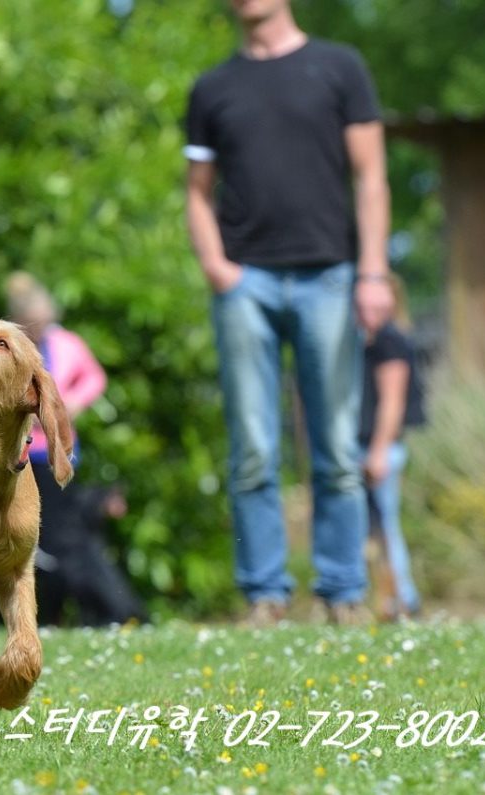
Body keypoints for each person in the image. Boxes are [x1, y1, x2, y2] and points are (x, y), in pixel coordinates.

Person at [184, 0, 394, 625]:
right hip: (245, 284)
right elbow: (196, 193)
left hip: (328, 277)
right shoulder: (212, 88)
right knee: (252, 446)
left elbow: (373, 177)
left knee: (333, 443)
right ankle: (265, 595)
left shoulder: (340, 68)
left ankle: (343, 590)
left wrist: (374, 271)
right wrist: (217, 266)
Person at [5, 272, 146, 626]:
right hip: (25, 455)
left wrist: (70, 405)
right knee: (47, 542)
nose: (40, 332)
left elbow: (94, 378)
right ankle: (58, 614)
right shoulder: (9, 347)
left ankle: (101, 612)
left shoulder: (66, 343)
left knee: (65, 540)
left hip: (62, 452)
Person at [357, 274, 425, 621]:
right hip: (366, 448)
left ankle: (400, 601)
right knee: (372, 532)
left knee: (384, 530)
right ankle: (387, 601)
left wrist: (378, 452)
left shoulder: (390, 341)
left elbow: (392, 404)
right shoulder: (368, 341)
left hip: (378, 450)